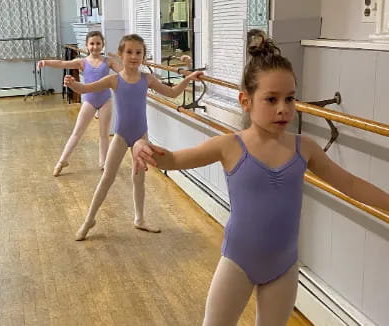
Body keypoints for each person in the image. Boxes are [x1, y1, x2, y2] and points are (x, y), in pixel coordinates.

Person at [132, 32, 389, 325]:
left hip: (283, 267)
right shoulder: (230, 146)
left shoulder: (304, 148)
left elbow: (351, 184)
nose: (283, 108)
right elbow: (175, 159)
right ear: (246, 101)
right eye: (271, 99)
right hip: (238, 263)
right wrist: (142, 146)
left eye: (290, 99)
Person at [63, 34, 203, 241]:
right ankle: (89, 220)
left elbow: (172, 93)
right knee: (107, 178)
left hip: (141, 136)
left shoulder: (147, 79)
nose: (134, 56)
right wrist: (73, 84)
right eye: (129, 52)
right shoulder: (114, 79)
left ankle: (139, 218)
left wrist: (189, 78)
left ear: (143, 56)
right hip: (121, 135)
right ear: (121, 55)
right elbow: (86, 88)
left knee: (139, 179)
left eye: (138, 52)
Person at [37, 31, 122, 176]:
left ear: (102, 45)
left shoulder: (108, 61)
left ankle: (103, 162)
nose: (95, 47)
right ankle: (62, 160)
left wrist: (120, 60)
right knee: (77, 133)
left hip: (105, 100)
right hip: (89, 100)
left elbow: (123, 72)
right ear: (87, 46)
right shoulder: (82, 62)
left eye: (98, 44)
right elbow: (62, 63)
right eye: (92, 44)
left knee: (104, 134)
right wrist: (45, 62)